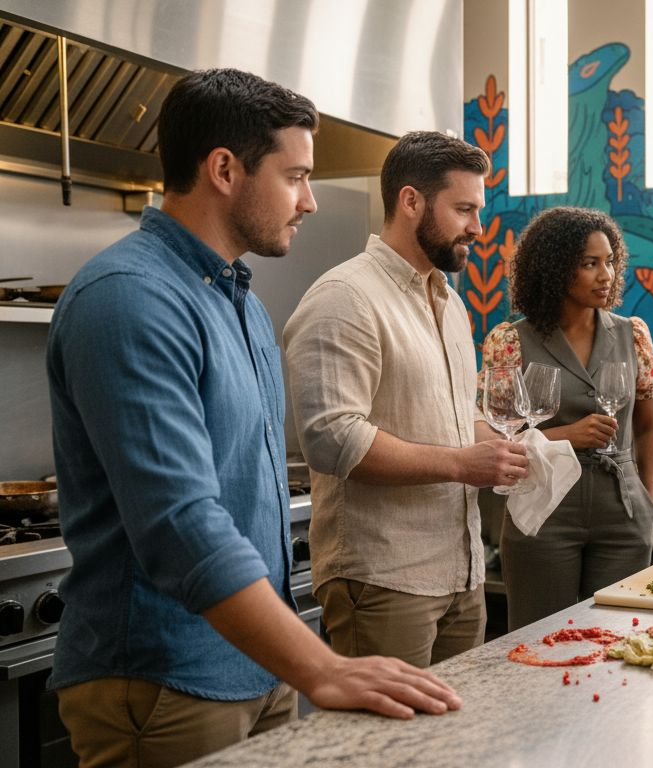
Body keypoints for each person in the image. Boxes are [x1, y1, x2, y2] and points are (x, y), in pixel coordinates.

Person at [46, 69, 459, 768]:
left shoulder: (232, 296)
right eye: (296, 176)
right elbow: (181, 523)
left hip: (254, 668)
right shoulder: (132, 298)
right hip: (165, 678)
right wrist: (320, 666)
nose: (309, 200)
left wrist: (294, 667)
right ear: (225, 170)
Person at [283, 132, 527, 667]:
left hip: (461, 574)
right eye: (463, 209)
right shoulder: (345, 298)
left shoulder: (451, 304)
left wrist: (508, 448)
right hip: (383, 579)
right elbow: (332, 440)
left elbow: (459, 422)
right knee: (389, 750)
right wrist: (464, 464)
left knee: (455, 746)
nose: (477, 228)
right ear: (411, 200)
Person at [480, 207, 653, 630]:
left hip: (624, 511)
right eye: (590, 264)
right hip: (543, 511)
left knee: (619, 641)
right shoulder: (511, 342)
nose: (607, 275)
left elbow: (649, 427)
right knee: (539, 637)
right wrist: (568, 436)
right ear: (556, 268)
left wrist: (649, 498)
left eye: (610, 261)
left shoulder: (632, 334)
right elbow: (494, 437)